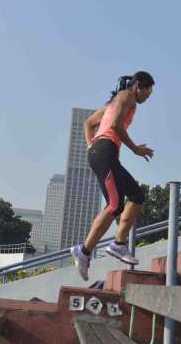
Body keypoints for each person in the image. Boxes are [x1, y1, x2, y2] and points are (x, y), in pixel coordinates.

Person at [70, 71, 155, 281]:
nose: (148, 97)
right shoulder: (127, 97)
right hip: (105, 152)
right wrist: (134, 148)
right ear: (139, 86)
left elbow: (89, 122)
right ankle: (85, 251)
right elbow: (116, 125)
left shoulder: (114, 102)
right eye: (148, 92)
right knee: (114, 205)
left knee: (136, 196)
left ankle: (118, 243)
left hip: (104, 153)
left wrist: (91, 145)